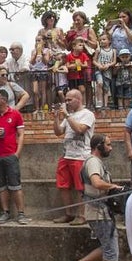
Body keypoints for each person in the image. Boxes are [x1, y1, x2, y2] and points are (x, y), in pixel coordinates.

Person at [66, 134, 128, 261]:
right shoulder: (93, 162)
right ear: (99, 146)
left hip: (100, 211)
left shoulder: (96, 162)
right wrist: (115, 186)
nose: (110, 147)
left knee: (109, 245)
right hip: (98, 211)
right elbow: (97, 183)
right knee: (111, 248)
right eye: (108, 144)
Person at [0, 89, 27, 225]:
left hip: (10, 154)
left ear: (4, 100)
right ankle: (5, 212)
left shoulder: (15, 114)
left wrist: (17, 153)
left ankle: (21, 214)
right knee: (0, 185)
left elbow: (21, 134)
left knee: (15, 185)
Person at [51, 88, 94, 224]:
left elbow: (80, 130)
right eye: (66, 100)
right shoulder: (70, 115)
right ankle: (69, 213)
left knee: (80, 187)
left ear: (78, 99)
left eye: (69, 100)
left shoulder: (87, 114)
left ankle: (82, 216)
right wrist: (56, 118)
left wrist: (67, 116)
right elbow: (58, 132)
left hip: (80, 156)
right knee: (63, 185)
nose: (67, 102)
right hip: (66, 155)